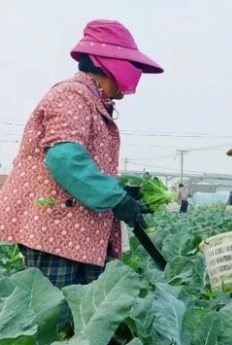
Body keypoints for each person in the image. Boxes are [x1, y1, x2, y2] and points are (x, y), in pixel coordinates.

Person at [0, 19, 162, 330]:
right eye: (131, 66)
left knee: (86, 320)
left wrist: (121, 195)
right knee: (51, 321)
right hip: (54, 231)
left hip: (79, 232)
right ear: (111, 64)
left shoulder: (91, 100)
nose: (134, 78)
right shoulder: (71, 96)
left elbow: (85, 163)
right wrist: (114, 197)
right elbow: (64, 159)